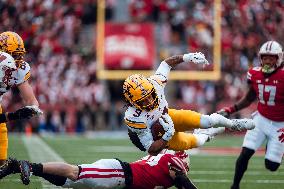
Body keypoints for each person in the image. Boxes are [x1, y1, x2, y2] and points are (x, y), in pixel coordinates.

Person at [123, 52, 255, 155]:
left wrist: (188, 57)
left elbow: (167, 63)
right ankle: (208, 134)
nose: (149, 101)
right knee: (196, 141)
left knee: (206, 121)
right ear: (132, 102)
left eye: (150, 96)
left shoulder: (155, 83)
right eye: (143, 100)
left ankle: (233, 124)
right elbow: (151, 150)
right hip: (158, 135)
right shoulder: (134, 117)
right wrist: (167, 135)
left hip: (169, 116)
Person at [217, 40, 284, 189]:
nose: (267, 61)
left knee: (271, 166)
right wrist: (230, 110)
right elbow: (249, 98)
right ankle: (235, 186)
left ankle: (271, 146)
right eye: (265, 57)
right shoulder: (254, 73)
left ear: (278, 58)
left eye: (271, 58)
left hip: (280, 124)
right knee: (246, 152)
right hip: (262, 119)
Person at [0, 31, 43, 166]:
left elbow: (30, 98)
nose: (18, 59)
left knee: (1, 161)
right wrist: (15, 115)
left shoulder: (19, 68)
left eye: (20, 54)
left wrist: (33, 107)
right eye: (14, 54)